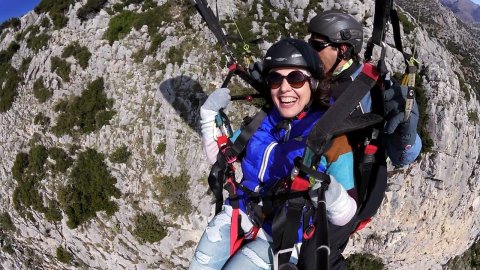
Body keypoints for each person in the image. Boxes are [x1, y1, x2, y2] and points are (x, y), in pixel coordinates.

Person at [190, 37, 358, 269]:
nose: (285, 87)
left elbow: (346, 215)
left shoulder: (330, 137)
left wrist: (329, 191)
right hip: (240, 213)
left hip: (281, 237)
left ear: (313, 83)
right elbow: (220, 159)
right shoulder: (262, 121)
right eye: (275, 79)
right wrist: (208, 117)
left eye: (296, 78)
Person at [307, 10, 422, 167]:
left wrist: (407, 138)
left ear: (343, 49)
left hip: (343, 180)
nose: (310, 53)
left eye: (316, 46)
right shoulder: (312, 76)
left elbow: (402, 158)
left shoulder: (370, 88)